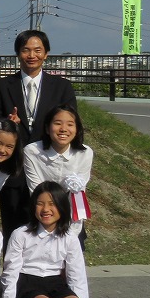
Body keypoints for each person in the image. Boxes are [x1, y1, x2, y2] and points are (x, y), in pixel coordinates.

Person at [0, 29, 77, 243]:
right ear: (18, 54)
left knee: (52, 229)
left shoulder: (62, 87)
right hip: (14, 170)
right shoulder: (2, 86)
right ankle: (14, 275)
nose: (31, 55)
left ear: (46, 54)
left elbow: (70, 124)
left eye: (38, 50)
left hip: (49, 167)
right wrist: (8, 124)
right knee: (14, 230)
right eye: (26, 50)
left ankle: (49, 274)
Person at [1, 181, 95, 298]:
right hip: (27, 282)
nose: (45, 210)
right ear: (33, 206)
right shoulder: (21, 234)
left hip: (54, 283)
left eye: (52, 204)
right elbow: (10, 272)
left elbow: (76, 275)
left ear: (62, 207)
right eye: (40, 204)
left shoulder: (70, 237)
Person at [23, 104, 93, 244]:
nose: (63, 129)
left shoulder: (85, 153)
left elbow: (78, 196)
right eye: (57, 123)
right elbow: (36, 192)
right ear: (48, 128)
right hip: (40, 215)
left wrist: (71, 235)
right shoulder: (31, 152)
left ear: (77, 129)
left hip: (71, 219)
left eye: (70, 124)